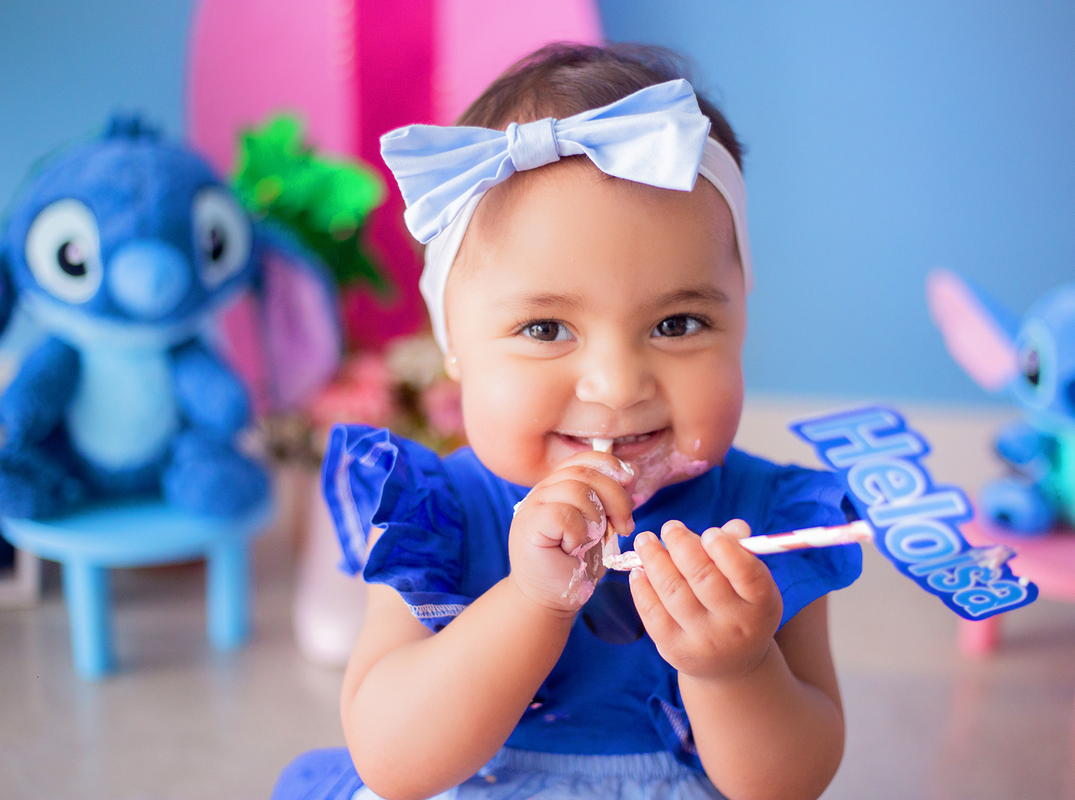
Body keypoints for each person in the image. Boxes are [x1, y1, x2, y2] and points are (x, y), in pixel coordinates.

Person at [272, 43, 862, 800]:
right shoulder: (435, 513)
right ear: (454, 347)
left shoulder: (769, 521)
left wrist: (734, 670)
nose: (616, 386)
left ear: (741, 323)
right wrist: (531, 602)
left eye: (677, 324)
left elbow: (792, 783)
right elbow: (392, 759)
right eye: (546, 329)